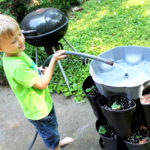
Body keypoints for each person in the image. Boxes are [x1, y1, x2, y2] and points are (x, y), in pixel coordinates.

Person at [0, 14, 74, 150]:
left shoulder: (16, 53)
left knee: (52, 129)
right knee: (50, 134)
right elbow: (42, 84)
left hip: (42, 104)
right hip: (38, 111)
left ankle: (57, 142)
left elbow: (30, 68)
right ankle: (55, 147)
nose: (20, 41)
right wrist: (53, 61)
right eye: (13, 41)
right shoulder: (16, 66)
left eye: (19, 35)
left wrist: (38, 70)